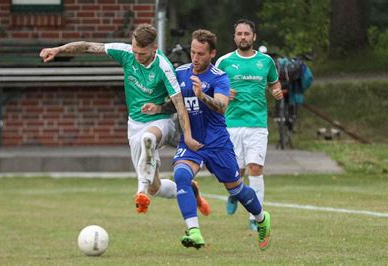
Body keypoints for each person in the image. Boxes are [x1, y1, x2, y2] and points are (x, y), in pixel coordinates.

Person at [39, 23, 210, 215]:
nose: (137, 57)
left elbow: (180, 105)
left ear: (154, 48)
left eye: (142, 54)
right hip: (135, 124)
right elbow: (88, 46)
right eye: (135, 51)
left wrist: (186, 135)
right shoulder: (126, 53)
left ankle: (140, 193)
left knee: (149, 138)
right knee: (156, 187)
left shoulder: (164, 67)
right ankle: (190, 191)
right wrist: (58, 50)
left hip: (161, 122)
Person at [142, 29, 271, 250]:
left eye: (201, 54)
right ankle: (194, 231)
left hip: (218, 143)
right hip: (191, 142)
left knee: (236, 190)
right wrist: (158, 108)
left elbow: (221, 107)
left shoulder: (219, 77)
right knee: (181, 175)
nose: (195, 58)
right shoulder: (180, 73)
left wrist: (203, 95)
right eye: (192, 52)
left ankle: (261, 219)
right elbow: (175, 101)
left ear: (212, 54)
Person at [216, 19, 283, 231]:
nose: (243, 37)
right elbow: (211, 86)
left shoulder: (266, 62)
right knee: (236, 172)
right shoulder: (224, 62)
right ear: (234, 37)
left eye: (247, 33)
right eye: (239, 34)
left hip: (257, 124)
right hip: (232, 124)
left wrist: (276, 92)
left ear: (254, 36)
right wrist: (224, 92)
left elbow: (274, 83)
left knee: (255, 168)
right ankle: (235, 194)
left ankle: (256, 217)